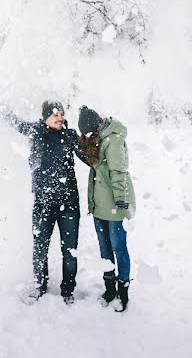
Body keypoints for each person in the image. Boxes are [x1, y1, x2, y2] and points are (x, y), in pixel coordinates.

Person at [6, 101, 88, 305]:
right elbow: (16, 122)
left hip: (68, 204)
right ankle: (39, 285)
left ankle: (68, 290)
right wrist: (0, 107)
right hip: (43, 203)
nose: (60, 117)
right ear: (45, 117)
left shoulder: (70, 136)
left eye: (61, 113)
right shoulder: (35, 131)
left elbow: (88, 158)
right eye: (55, 114)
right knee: (40, 247)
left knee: (70, 250)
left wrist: (98, 138)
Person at [78, 105, 136, 312]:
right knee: (105, 249)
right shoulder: (98, 138)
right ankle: (109, 289)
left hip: (113, 205)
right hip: (99, 206)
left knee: (119, 248)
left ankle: (123, 292)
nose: (87, 136)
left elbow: (118, 172)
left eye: (87, 132)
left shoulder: (114, 139)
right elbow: (96, 168)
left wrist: (121, 198)